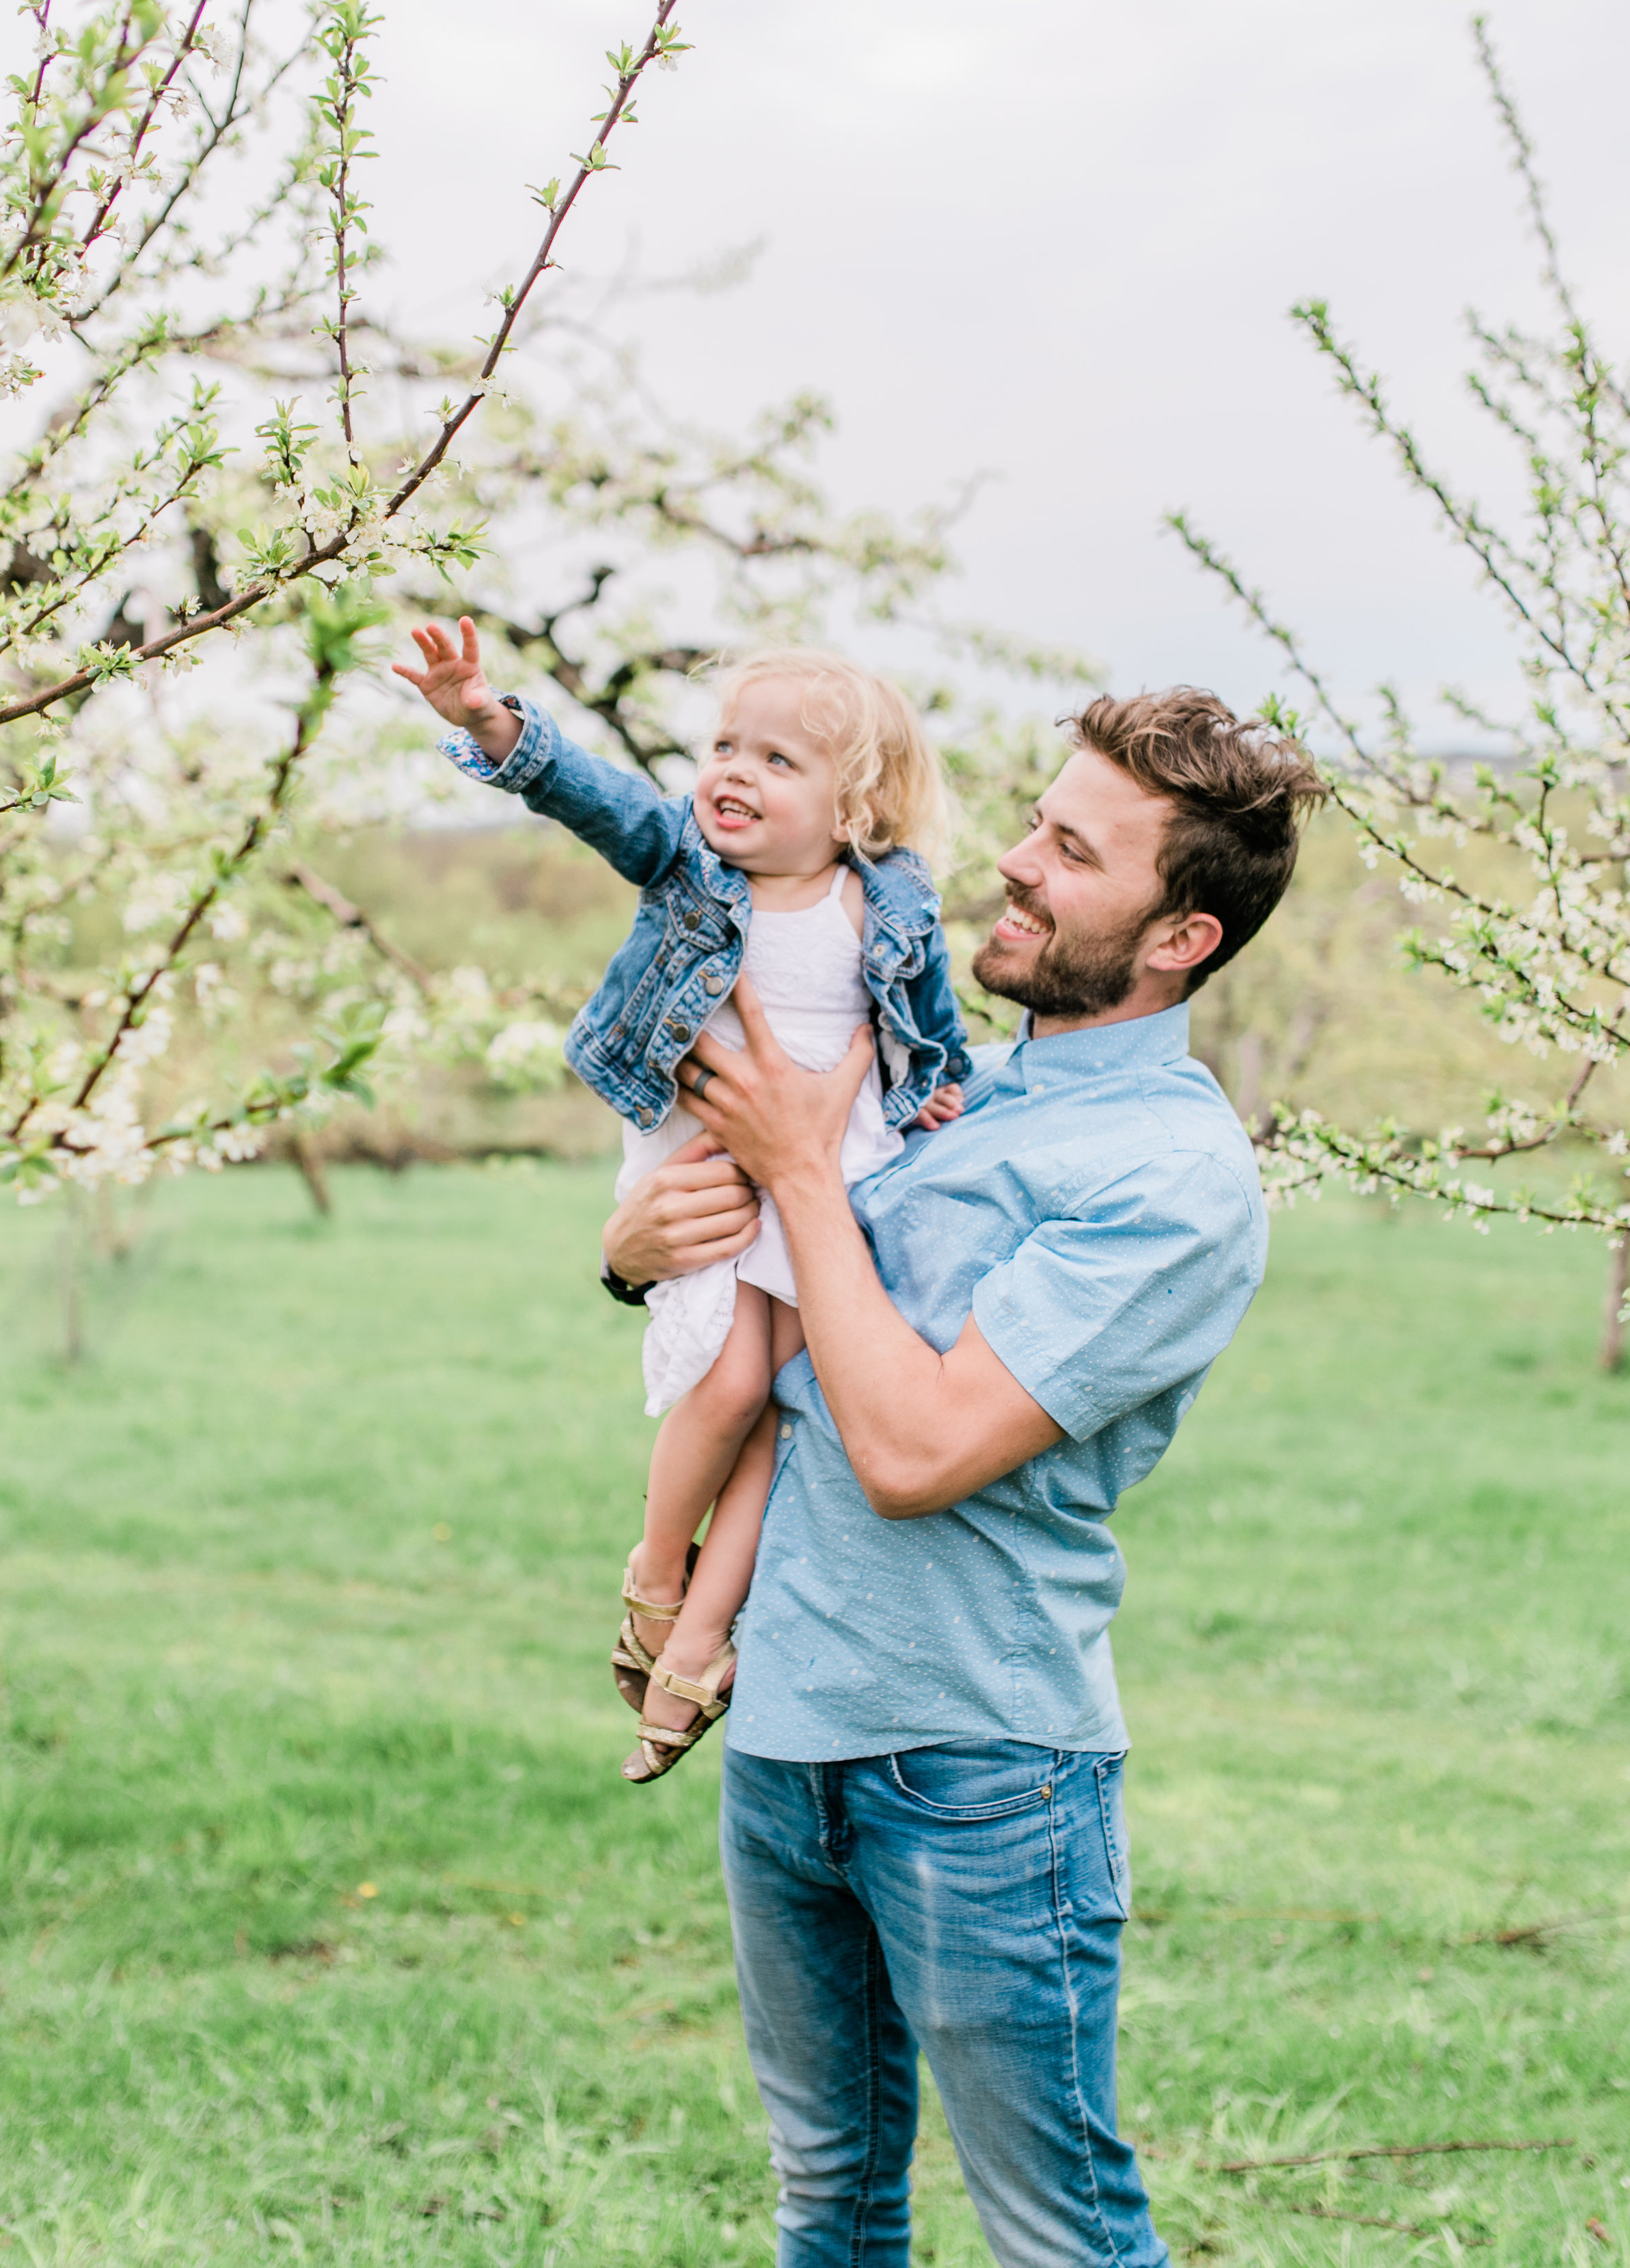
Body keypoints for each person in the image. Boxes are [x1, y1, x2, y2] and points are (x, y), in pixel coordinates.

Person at [601, 687, 1326, 2268]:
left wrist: (797, 1165)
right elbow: (772, 1339)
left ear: (1176, 939)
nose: (1009, 862)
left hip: (982, 1781)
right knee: (830, 2208)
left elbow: (916, 1449)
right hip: (789, 1741)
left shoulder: (1170, 1179)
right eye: (1032, 821)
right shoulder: (944, 1083)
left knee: (1056, 2233)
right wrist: (626, 1253)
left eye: (1070, 852)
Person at [392, 624, 971, 1783]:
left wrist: (941, 1088)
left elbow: (930, 1017)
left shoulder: (893, 902)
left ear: (855, 808)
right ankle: (658, 1572)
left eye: (777, 760)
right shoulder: (690, 865)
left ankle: (701, 1638)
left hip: (834, 1161)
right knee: (734, 1378)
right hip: (704, 1150)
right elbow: (597, 798)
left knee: (794, 1401)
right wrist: (491, 721)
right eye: (724, 746)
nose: (732, 774)